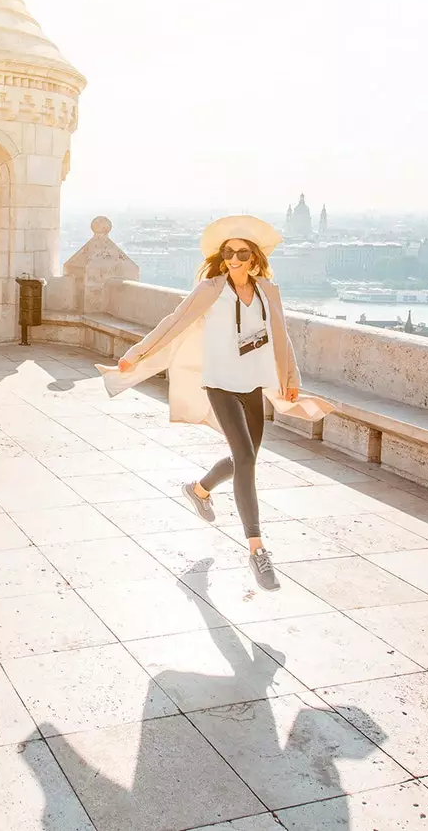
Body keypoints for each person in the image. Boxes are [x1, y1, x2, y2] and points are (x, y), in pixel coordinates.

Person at [98, 216, 301, 590]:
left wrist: (291, 379)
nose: (235, 259)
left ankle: (199, 489)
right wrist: (137, 354)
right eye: (229, 253)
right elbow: (174, 322)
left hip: (252, 386)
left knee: (247, 457)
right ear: (222, 259)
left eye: (242, 253)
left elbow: (281, 335)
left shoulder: (268, 291)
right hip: (220, 384)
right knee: (244, 459)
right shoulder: (212, 289)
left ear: (254, 258)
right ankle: (257, 549)